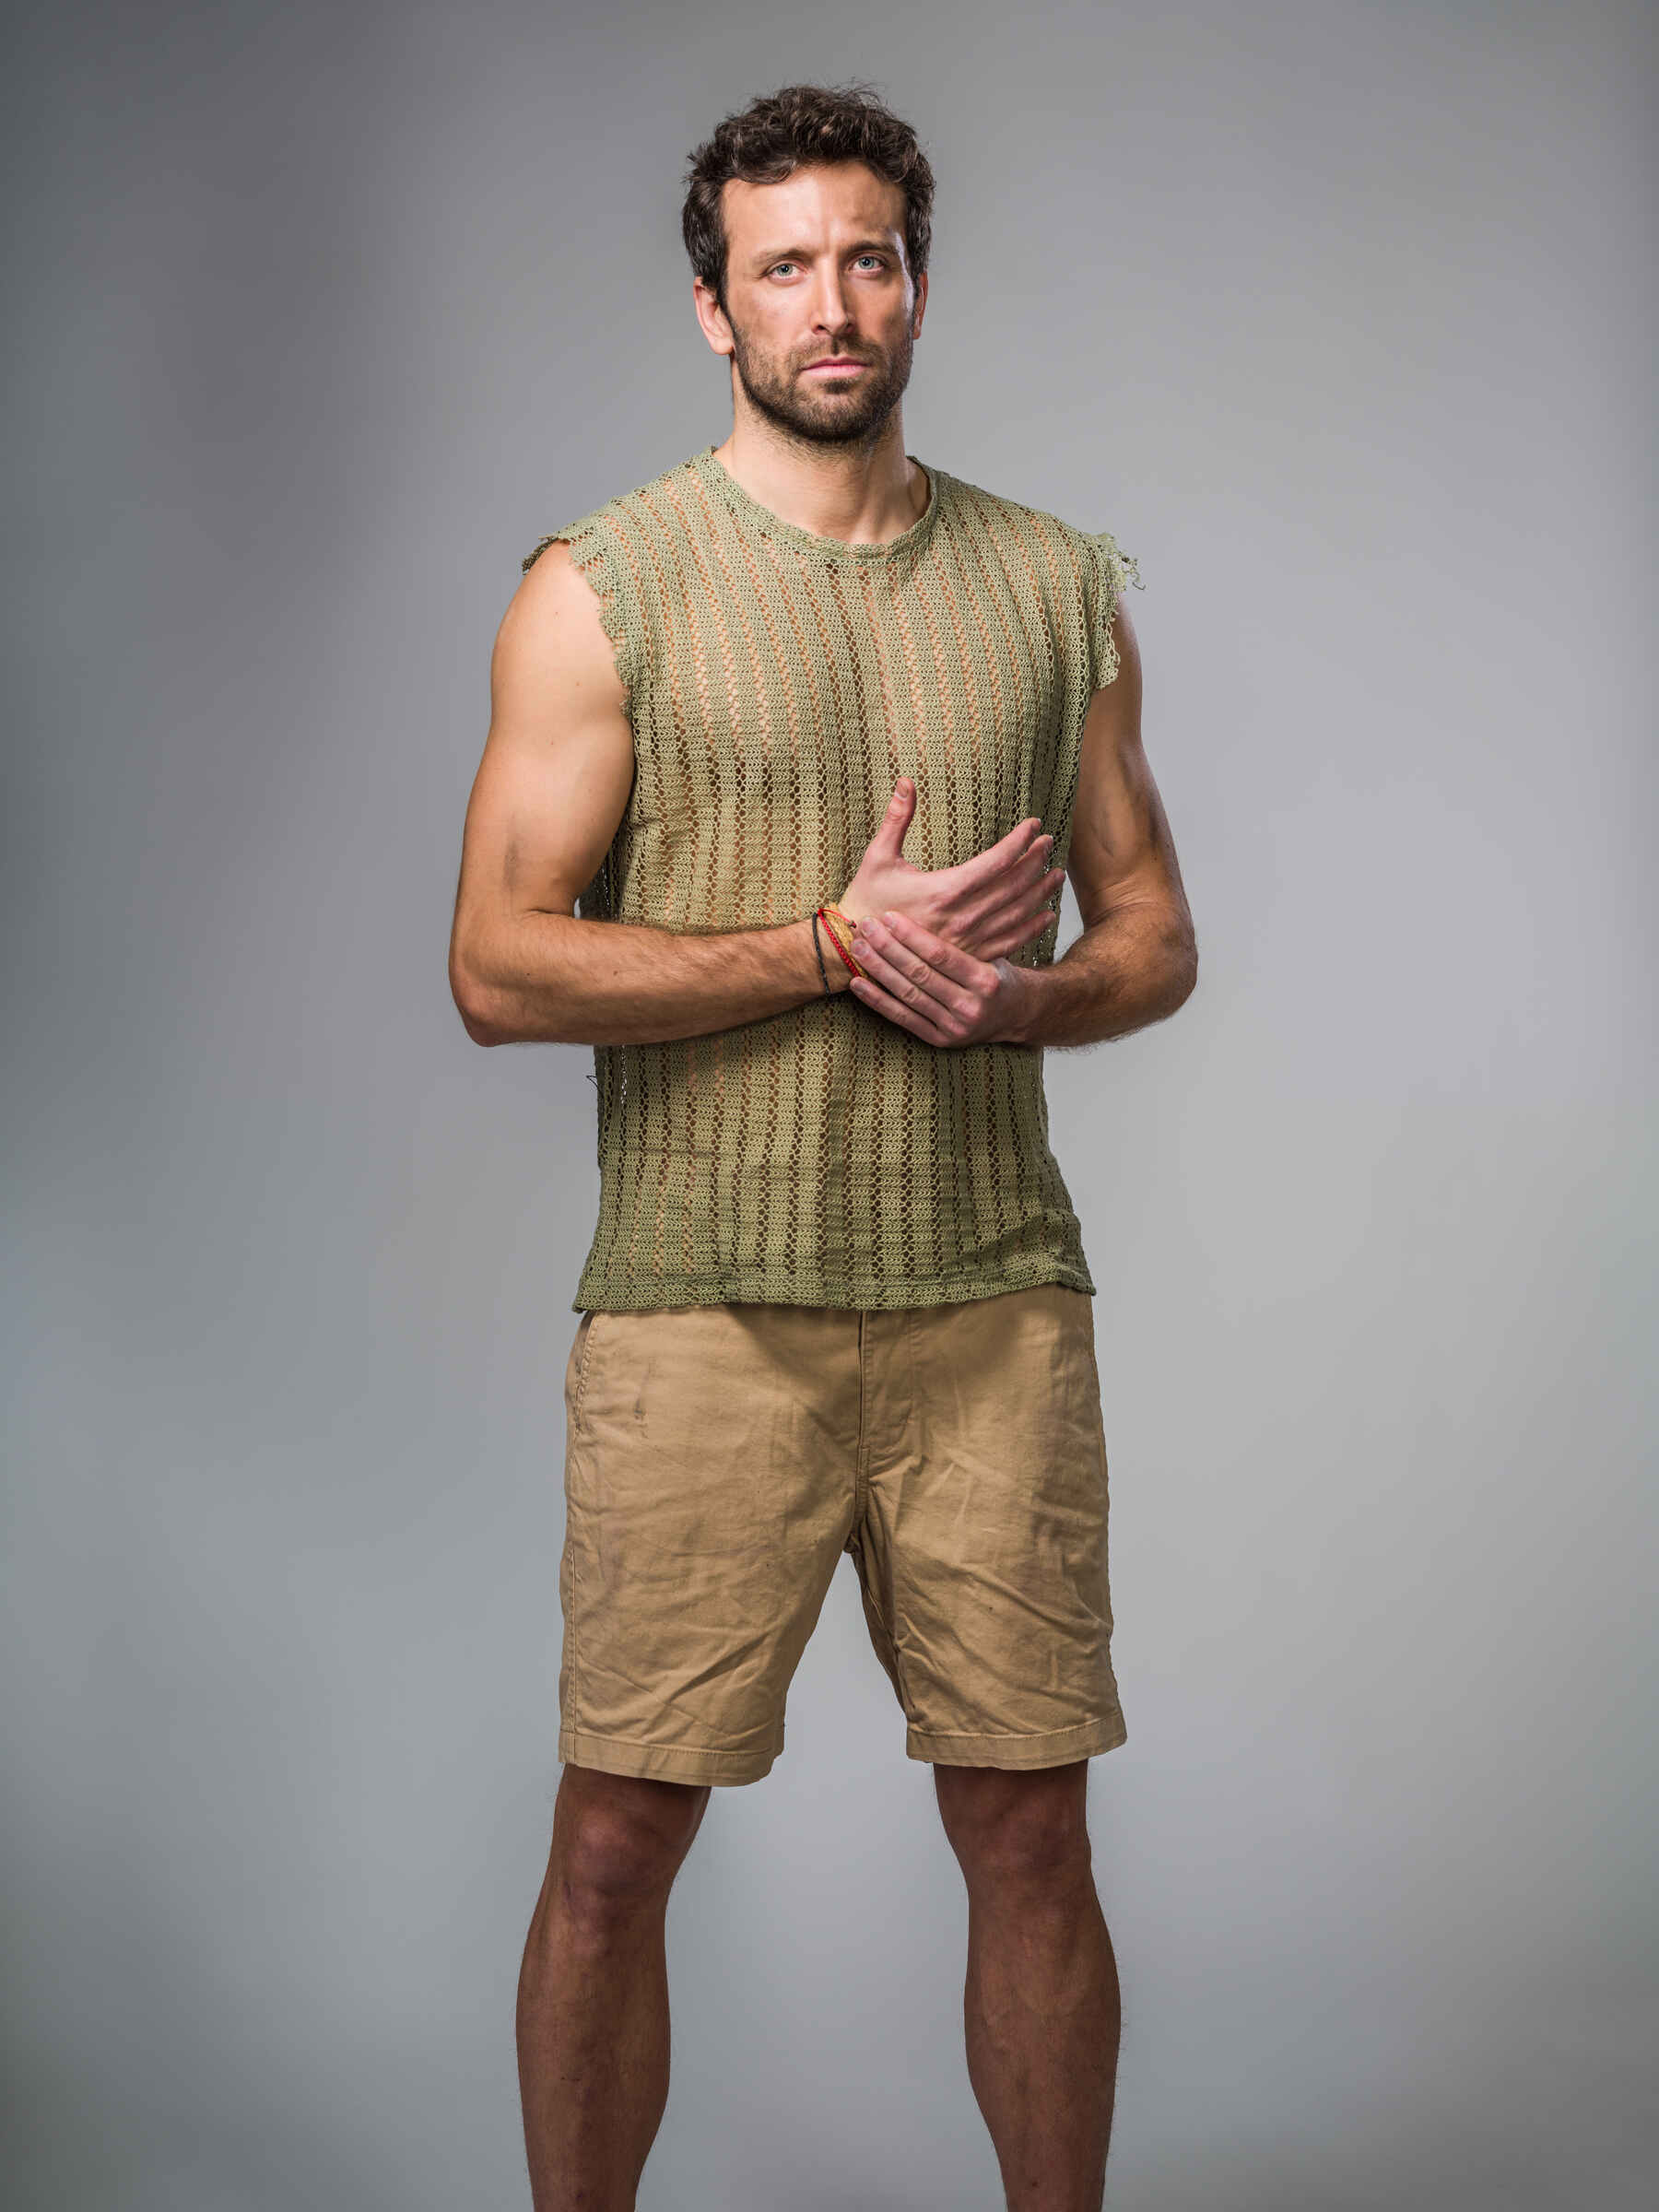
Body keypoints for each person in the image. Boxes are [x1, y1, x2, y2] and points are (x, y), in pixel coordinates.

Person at [448, 77, 1196, 2212]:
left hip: (993, 1306)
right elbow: (496, 962)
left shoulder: (1057, 585)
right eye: (784, 266)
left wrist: (1017, 998)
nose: (833, 302)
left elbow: (1153, 932)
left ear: (919, 284)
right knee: (615, 1842)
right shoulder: (604, 588)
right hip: (701, 1313)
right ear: (718, 309)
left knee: (1033, 1834)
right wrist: (819, 947)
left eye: (869, 257)